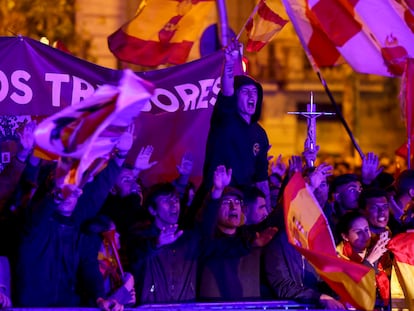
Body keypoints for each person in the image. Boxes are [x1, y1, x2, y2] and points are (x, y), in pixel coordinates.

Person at [15, 128, 138, 310]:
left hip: (69, 306)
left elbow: (89, 267)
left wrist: (99, 298)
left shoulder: (81, 227)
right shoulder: (35, 223)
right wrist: (56, 196)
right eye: (63, 188)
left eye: (73, 189)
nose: (68, 194)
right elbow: (37, 213)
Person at [199, 39, 270, 211]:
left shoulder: (260, 134)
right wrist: (229, 64)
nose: (251, 96)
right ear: (236, 97)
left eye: (254, 92)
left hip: (244, 206)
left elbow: (261, 178)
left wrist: (266, 209)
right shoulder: (225, 120)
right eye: (245, 92)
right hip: (217, 200)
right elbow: (228, 91)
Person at [336, 211, 390, 308]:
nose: (365, 236)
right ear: (345, 236)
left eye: (366, 229)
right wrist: (369, 261)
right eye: (358, 232)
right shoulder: (338, 258)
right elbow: (349, 292)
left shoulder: (377, 248)